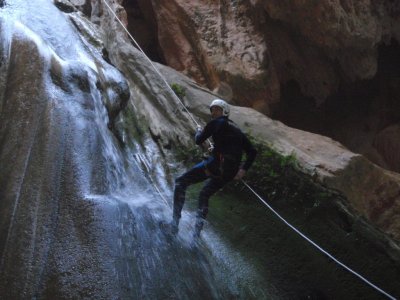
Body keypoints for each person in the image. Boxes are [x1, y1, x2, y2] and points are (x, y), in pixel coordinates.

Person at [168, 98, 257, 239]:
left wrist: (198, 131)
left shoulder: (217, 122)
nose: (213, 112)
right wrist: (242, 170)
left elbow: (199, 140)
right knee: (204, 194)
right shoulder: (237, 129)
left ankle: (174, 223)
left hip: (215, 165)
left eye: (217, 109)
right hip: (229, 172)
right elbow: (252, 151)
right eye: (212, 109)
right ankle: (196, 235)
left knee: (180, 182)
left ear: (224, 112)